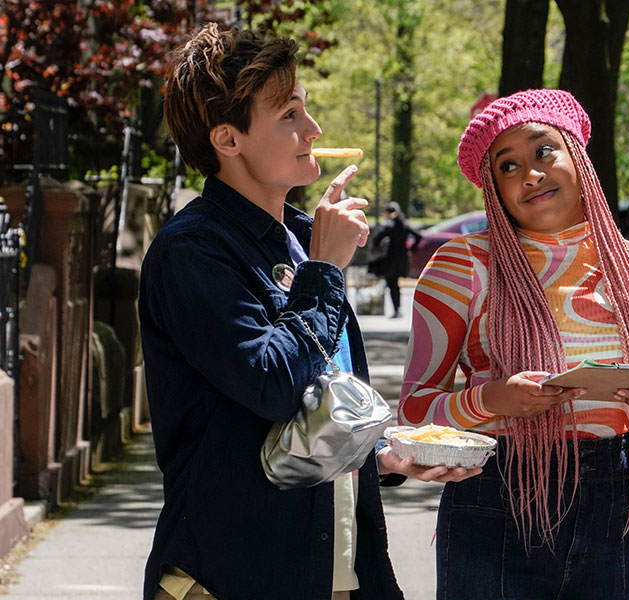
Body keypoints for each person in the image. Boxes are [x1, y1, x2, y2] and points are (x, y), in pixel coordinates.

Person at [140, 23, 477, 600]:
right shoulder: (191, 249)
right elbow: (271, 383)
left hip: (338, 570)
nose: (313, 129)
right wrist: (324, 271)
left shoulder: (301, 237)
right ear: (228, 139)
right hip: (233, 574)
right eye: (289, 114)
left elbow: (315, 407)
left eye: (306, 109)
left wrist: (385, 456)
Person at [398, 89, 629, 599]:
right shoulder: (460, 264)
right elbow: (414, 412)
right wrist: (494, 400)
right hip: (495, 495)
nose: (530, 174)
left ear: (577, 155)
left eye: (543, 151)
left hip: (613, 502)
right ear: (493, 189)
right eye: (507, 166)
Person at [368, 201, 421, 317]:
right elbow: (418, 236)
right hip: (402, 258)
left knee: (392, 284)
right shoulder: (404, 224)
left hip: (390, 259)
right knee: (395, 284)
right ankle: (398, 308)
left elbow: (376, 239)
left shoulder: (388, 226)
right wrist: (412, 248)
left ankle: (396, 309)